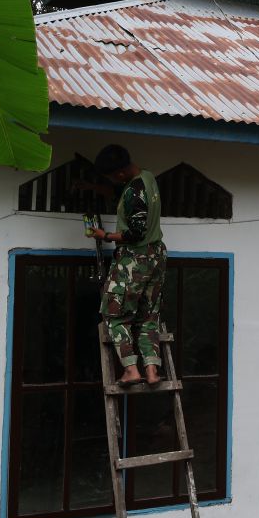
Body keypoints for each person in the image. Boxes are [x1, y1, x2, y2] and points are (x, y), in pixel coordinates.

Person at [86, 144, 167, 387]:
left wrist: (105, 236)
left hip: (134, 259)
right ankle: (152, 370)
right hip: (157, 255)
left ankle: (131, 369)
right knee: (149, 316)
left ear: (120, 174)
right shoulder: (148, 177)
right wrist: (95, 188)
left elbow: (135, 232)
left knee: (114, 314)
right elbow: (127, 198)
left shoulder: (133, 192)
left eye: (111, 177)